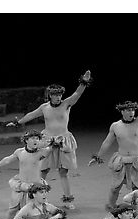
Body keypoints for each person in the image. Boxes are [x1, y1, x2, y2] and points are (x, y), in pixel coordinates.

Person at [8, 71, 92, 209]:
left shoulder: (66, 104)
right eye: (55, 95)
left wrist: (83, 82)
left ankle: (68, 200)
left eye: (60, 95)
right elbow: (32, 115)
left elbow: (77, 94)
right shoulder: (44, 107)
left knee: (63, 171)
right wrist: (18, 122)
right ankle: (34, 197)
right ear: (50, 96)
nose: (58, 97)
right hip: (47, 140)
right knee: (43, 170)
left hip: (64, 140)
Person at [89, 93, 138, 212]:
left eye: (133, 110)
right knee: (115, 188)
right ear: (122, 112)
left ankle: (137, 212)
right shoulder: (115, 126)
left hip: (137, 161)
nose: (132, 113)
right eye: (128, 110)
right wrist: (98, 156)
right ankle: (112, 210)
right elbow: (107, 142)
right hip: (121, 161)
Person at [0, 129, 51, 219]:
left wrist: (55, 142)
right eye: (32, 138)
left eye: (37, 138)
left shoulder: (42, 152)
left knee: (35, 209)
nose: (35, 141)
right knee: (13, 209)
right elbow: (8, 159)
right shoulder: (19, 152)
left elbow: (51, 147)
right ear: (26, 140)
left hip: (35, 186)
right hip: (21, 185)